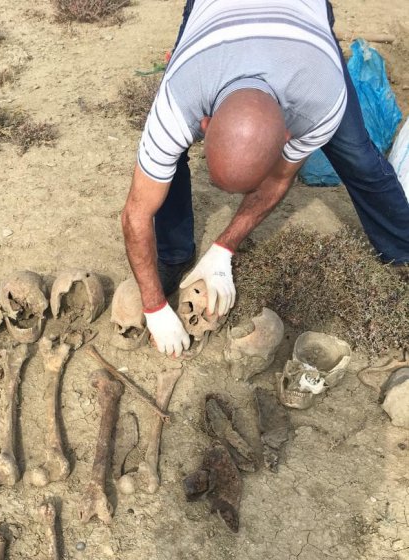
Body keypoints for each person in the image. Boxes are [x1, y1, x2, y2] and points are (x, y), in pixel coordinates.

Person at [121, 0, 409, 356]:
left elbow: (276, 181)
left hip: (301, 20)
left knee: (359, 156)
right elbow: (137, 211)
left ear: (287, 137)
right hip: (214, 16)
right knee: (169, 160)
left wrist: (224, 247)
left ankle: (403, 250)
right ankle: (173, 254)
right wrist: (153, 307)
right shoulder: (179, 101)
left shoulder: (320, 99)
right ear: (204, 125)